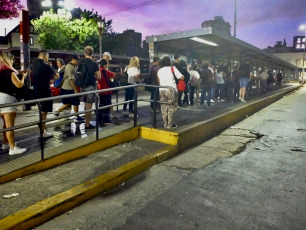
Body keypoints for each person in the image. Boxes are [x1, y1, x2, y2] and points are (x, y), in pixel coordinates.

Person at [0, 51, 27, 155]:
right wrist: (23, 76)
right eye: (11, 59)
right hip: (7, 99)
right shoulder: (9, 71)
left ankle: (6, 143)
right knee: (10, 126)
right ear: (8, 60)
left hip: (0, 98)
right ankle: (12, 148)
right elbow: (19, 85)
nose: (12, 61)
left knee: (5, 125)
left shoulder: (0, 71)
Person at [32, 50, 59, 138]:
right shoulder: (46, 65)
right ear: (46, 56)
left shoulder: (33, 64)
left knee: (41, 110)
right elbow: (56, 76)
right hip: (45, 90)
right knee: (44, 112)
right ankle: (43, 132)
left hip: (36, 89)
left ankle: (43, 129)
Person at [77, 46, 101, 130]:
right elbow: (99, 77)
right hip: (90, 85)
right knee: (89, 106)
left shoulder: (80, 61)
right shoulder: (94, 63)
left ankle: (86, 121)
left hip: (82, 85)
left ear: (85, 53)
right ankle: (87, 124)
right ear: (92, 54)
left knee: (85, 104)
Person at [54, 55, 84, 122]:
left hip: (65, 88)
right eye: (77, 61)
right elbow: (71, 79)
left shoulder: (71, 66)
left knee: (69, 103)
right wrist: (75, 89)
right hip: (68, 88)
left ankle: (61, 112)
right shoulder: (70, 67)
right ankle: (75, 116)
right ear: (74, 60)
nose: (78, 62)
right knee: (75, 102)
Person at [157, 56, 184, 129]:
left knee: (164, 107)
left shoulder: (160, 70)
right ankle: (170, 124)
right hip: (171, 90)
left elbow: (158, 81)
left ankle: (165, 124)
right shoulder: (173, 68)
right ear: (169, 62)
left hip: (162, 90)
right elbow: (181, 77)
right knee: (172, 107)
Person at [97, 59, 115, 126]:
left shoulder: (98, 71)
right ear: (104, 65)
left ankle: (99, 119)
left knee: (101, 105)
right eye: (106, 65)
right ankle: (106, 120)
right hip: (107, 91)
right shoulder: (105, 71)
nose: (107, 66)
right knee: (107, 106)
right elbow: (113, 74)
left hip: (101, 91)